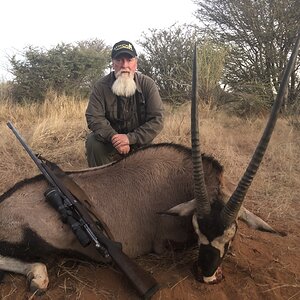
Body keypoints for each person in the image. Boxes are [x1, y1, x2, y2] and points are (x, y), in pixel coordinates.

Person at [85, 40, 164, 167]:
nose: (124, 65)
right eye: (119, 60)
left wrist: (130, 138)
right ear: (113, 64)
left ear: (135, 64)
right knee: (93, 141)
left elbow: (157, 120)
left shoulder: (148, 84)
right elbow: (93, 117)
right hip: (111, 142)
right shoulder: (101, 86)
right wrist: (114, 138)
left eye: (129, 60)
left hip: (139, 142)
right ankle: (104, 182)